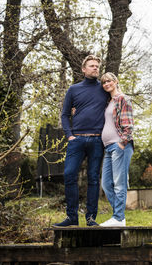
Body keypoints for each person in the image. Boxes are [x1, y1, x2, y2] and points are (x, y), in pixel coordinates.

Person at [55, 55, 109, 227]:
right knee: (69, 174)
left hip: (97, 140)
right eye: (92, 66)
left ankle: (91, 218)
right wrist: (69, 135)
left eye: (97, 66)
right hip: (76, 140)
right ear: (84, 69)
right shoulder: (73, 89)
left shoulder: (104, 89)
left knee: (93, 178)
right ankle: (72, 217)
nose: (95, 68)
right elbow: (64, 114)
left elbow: (116, 102)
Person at [99, 72, 134, 227]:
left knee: (119, 183)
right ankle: (119, 217)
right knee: (106, 184)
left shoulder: (122, 99)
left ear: (116, 81)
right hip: (108, 148)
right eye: (104, 82)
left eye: (109, 81)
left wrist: (122, 143)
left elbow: (128, 125)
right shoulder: (108, 101)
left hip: (120, 146)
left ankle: (118, 219)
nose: (107, 84)